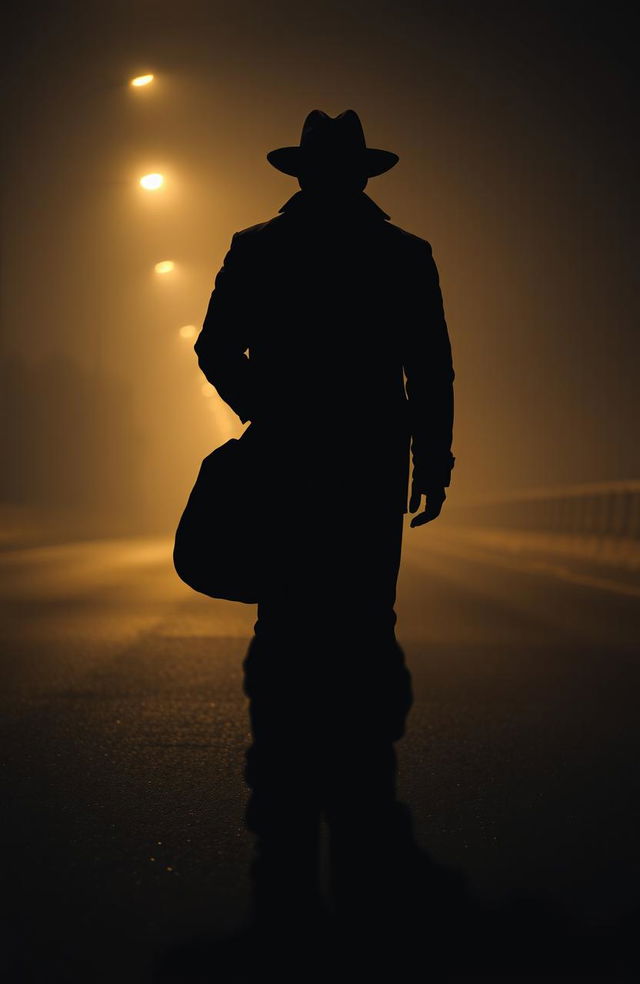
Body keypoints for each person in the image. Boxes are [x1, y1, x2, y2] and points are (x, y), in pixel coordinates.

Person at [193, 109, 456, 945]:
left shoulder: (257, 246)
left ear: (300, 176)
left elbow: (212, 348)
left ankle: (285, 788)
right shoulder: (404, 254)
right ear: (364, 177)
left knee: (287, 616)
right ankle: (358, 780)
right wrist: (433, 461)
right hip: (371, 468)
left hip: (287, 461)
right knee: (362, 619)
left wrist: (263, 414)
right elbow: (432, 369)